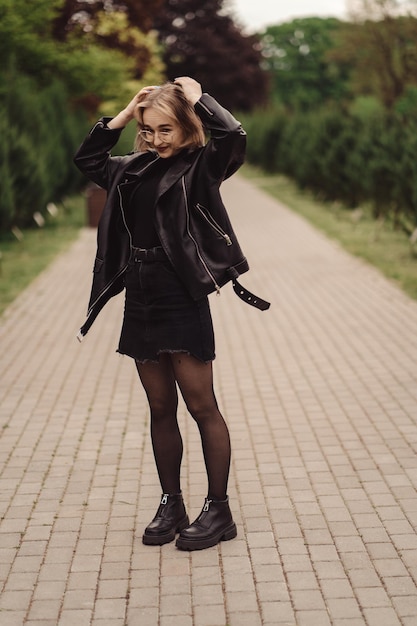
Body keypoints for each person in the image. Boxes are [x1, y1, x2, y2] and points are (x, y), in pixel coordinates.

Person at [74, 76, 269, 551]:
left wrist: (201, 98)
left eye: (166, 130)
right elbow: (89, 161)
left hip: (180, 294)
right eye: (148, 130)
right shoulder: (131, 168)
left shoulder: (201, 167)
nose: (156, 139)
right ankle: (171, 502)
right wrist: (121, 117)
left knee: (201, 405)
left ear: (186, 128)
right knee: (160, 407)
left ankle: (218, 510)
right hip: (140, 294)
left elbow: (233, 138)